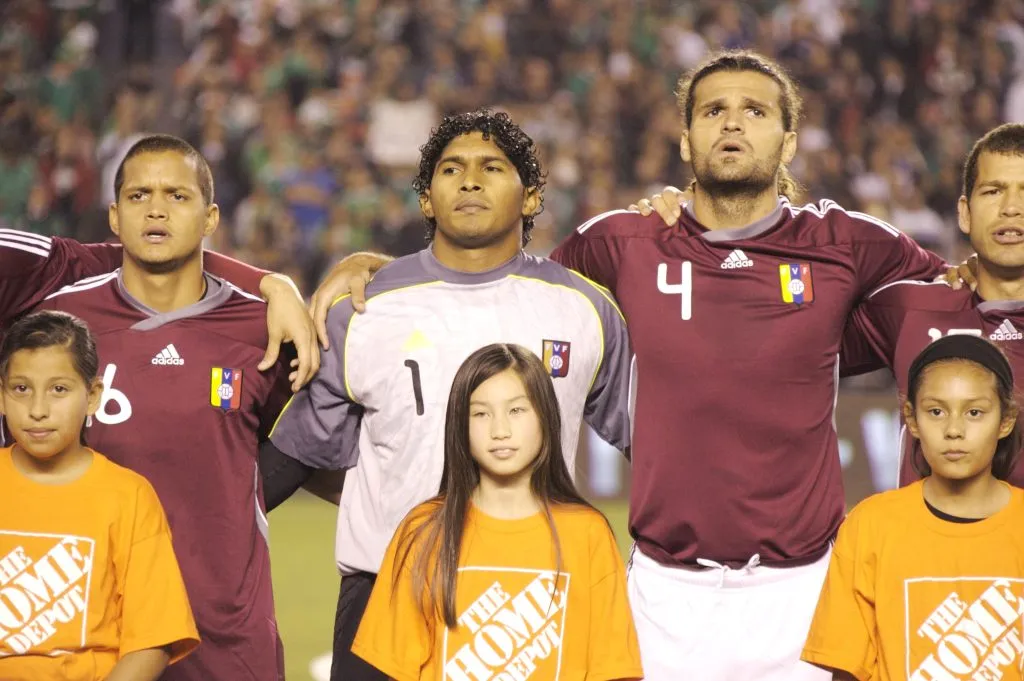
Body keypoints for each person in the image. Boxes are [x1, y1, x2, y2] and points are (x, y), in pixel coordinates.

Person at [312, 51, 949, 679]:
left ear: (788, 142)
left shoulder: (846, 241)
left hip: (806, 587)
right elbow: (510, 289)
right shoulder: (624, 240)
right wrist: (389, 271)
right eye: (713, 111)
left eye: (754, 111)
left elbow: (958, 298)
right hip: (663, 596)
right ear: (685, 139)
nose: (732, 123)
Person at [262, 109, 632, 681]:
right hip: (385, 588)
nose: (470, 181)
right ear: (426, 200)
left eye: (492, 168)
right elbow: (297, 455)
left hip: (529, 597)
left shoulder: (585, 310)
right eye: (451, 169)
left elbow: (654, 446)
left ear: (532, 197)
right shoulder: (362, 309)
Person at [13, 134, 302, 681]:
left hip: (227, 640)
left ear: (211, 217)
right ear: (115, 217)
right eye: (139, 195)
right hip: (96, 638)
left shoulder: (263, 329)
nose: (157, 209)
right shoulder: (60, 326)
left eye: (177, 195)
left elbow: (304, 448)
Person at [352, 343, 643, 681]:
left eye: (516, 410)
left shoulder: (588, 534)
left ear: (545, 416)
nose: (500, 430)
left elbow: (612, 668)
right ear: (460, 425)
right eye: (480, 414)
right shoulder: (424, 530)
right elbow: (393, 667)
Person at [802, 334, 1024, 681]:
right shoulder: (871, 524)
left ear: (1006, 420)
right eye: (936, 411)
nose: (954, 430)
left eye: (974, 412)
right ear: (912, 419)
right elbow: (847, 669)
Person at [0, 310, 199, 681]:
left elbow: (152, 642)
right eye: (22, 389)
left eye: (59, 390)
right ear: (1, 395)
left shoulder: (129, 496)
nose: (38, 410)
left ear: (92, 397)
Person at [838, 123, 1024, 488]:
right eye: (993, 191)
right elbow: (799, 346)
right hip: (923, 527)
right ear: (965, 213)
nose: (1011, 208)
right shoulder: (911, 308)